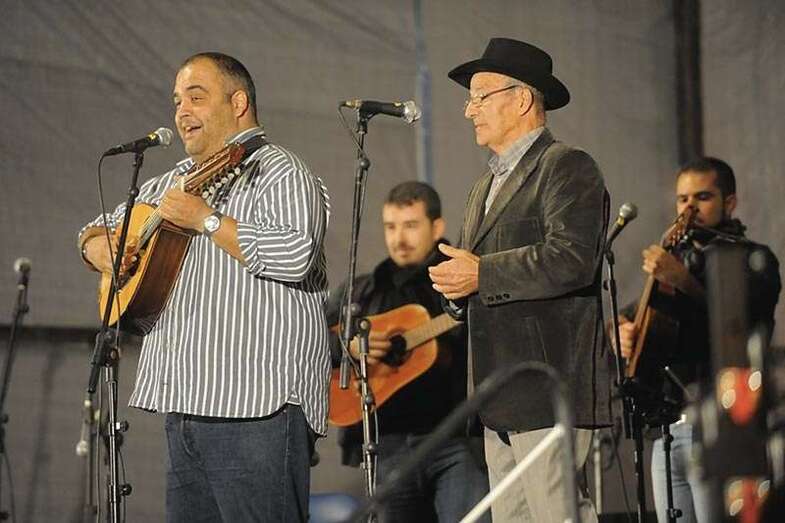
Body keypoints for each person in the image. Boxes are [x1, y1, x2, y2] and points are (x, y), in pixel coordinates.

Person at [78, 52, 331, 522]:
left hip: (258, 408)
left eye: (196, 97)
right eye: (177, 101)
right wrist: (99, 249)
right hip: (185, 407)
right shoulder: (172, 182)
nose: (182, 112)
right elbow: (94, 230)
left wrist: (208, 220)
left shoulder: (281, 170)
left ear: (238, 103)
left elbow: (295, 254)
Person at [428, 38, 611, 523]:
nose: (468, 110)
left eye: (479, 96)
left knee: (559, 513)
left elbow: (572, 258)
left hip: (547, 385)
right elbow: (473, 273)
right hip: (498, 392)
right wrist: (454, 290)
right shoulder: (482, 187)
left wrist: (481, 273)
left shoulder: (566, 166)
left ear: (523, 98)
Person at [616, 157, 781, 523]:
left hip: (722, 429)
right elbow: (628, 315)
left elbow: (738, 324)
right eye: (682, 199)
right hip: (667, 430)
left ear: (729, 202)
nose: (689, 208)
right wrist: (620, 331)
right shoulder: (679, 258)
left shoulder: (755, 258)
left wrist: (683, 281)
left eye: (702, 197)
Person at [326, 181, 489, 522]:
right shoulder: (362, 291)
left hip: (456, 439)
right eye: (391, 227)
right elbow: (310, 339)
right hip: (387, 445)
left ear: (437, 227)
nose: (399, 238)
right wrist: (349, 347)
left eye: (411, 225)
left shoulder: (460, 282)